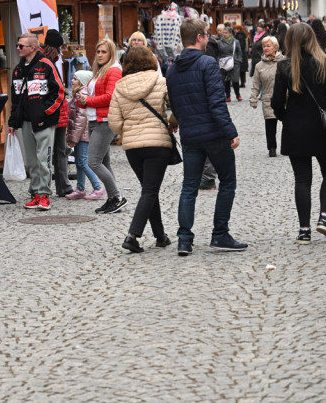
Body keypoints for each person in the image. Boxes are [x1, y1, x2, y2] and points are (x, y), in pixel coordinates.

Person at [166, 18, 247, 255]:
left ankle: (184, 239)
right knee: (228, 181)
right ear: (199, 37)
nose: (209, 36)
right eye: (206, 33)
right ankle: (220, 234)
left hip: (190, 135)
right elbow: (216, 104)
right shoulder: (207, 64)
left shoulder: (172, 69)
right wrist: (231, 132)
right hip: (213, 134)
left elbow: (175, 105)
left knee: (189, 186)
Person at [271, 23, 326, 244]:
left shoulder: (284, 67)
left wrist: (287, 118)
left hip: (295, 129)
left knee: (302, 180)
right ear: (313, 38)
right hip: (323, 128)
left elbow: (275, 103)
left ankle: (304, 231)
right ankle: (325, 218)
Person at [109, 46, 173, 253]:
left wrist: (130, 129)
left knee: (148, 189)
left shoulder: (119, 87)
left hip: (133, 147)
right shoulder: (160, 81)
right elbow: (176, 106)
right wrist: (171, 122)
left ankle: (160, 235)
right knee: (150, 190)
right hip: (157, 143)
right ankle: (132, 236)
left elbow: (115, 123)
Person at [8, 33, 65, 211]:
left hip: (44, 122)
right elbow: (16, 99)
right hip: (25, 121)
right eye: (17, 45)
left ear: (32, 48)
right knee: (32, 160)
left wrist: (44, 113)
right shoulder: (18, 70)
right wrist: (12, 121)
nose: (18, 48)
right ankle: (36, 194)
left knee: (43, 159)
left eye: (21, 46)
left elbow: (59, 93)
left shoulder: (46, 65)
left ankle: (44, 195)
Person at [76, 39, 127, 214]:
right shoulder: (98, 71)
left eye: (104, 52)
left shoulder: (113, 70)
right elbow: (92, 97)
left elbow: (110, 96)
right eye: (98, 52)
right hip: (94, 120)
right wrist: (82, 100)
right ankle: (112, 199)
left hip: (104, 121)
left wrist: (88, 101)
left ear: (111, 53)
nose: (99, 55)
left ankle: (117, 197)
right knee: (104, 162)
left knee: (93, 162)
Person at [65, 70, 106, 200]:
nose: (72, 81)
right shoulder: (79, 93)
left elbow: (80, 121)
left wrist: (73, 138)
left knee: (83, 162)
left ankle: (98, 188)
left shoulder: (81, 95)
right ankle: (80, 189)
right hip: (81, 135)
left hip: (83, 136)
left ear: (82, 82)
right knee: (79, 161)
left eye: (75, 79)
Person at [42, 29, 73, 197]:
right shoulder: (48, 63)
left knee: (54, 151)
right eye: (60, 47)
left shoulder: (45, 61)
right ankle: (61, 187)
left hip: (56, 112)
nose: (61, 51)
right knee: (56, 151)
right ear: (54, 47)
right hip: (55, 112)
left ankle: (58, 187)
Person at [248, 35, 284, 158]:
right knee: (270, 127)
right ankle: (272, 148)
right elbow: (256, 84)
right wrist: (253, 99)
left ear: (275, 48)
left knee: (288, 125)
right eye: (264, 46)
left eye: (268, 46)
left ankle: (287, 146)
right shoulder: (259, 66)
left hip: (285, 98)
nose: (265, 48)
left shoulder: (284, 62)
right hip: (268, 98)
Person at [216, 25, 243, 102]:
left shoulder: (235, 41)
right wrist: (219, 61)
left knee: (235, 80)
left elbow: (239, 52)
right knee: (226, 80)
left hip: (234, 62)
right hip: (224, 63)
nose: (224, 34)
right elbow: (218, 53)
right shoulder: (220, 42)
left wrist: (238, 60)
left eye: (226, 33)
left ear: (230, 33)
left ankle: (238, 94)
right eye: (223, 33)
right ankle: (228, 96)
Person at [233, 23, 249, 88]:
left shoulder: (239, 36)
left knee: (241, 70)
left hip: (241, 54)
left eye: (235, 29)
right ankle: (242, 82)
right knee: (242, 70)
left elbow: (241, 46)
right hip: (243, 54)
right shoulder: (241, 35)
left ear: (238, 29)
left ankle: (242, 83)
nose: (234, 30)